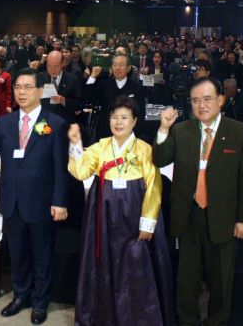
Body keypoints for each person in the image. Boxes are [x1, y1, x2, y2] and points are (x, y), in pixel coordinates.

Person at [153, 77, 243, 326]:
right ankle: (186, 320)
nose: (201, 105)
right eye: (196, 100)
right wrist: (164, 129)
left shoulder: (240, 132)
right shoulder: (182, 130)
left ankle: (217, 321)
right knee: (187, 279)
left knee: (221, 279)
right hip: (188, 215)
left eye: (208, 99)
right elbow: (160, 160)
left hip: (224, 216)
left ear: (221, 100)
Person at [67, 96, 175, 326]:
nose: (118, 122)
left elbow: (154, 186)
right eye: (114, 117)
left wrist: (147, 223)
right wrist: (76, 144)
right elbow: (81, 172)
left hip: (134, 213)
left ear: (134, 121)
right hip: (103, 215)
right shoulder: (100, 147)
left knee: (135, 267)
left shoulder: (145, 149)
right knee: (105, 265)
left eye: (124, 117)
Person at [0, 68, 69, 325]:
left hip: (41, 202)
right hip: (12, 201)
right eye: (18, 87)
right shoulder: (4, 123)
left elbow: (61, 168)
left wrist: (59, 201)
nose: (22, 92)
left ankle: (40, 302)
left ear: (41, 91)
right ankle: (21, 295)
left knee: (42, 255)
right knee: (18, 255)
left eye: (28, 87)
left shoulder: (56, 124)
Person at [87, 54, 146, 141]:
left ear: (129, 68)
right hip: (105, 132)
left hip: (129, 133)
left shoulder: (136, 87)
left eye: (121, 65)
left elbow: (140, 113)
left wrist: (135, 133)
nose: (117, 68)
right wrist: (92, 77)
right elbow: (89, 98)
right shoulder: (104, 85)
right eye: (115, 65)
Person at [37, 50, 84, 124]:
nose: (52, 70)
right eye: (49, 66)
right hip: (43, 123)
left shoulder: (73, 80)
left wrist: (63, 101)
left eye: (56, 66)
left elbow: (79, 105)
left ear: (63, 63)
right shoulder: (39, 78)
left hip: (64, 123)